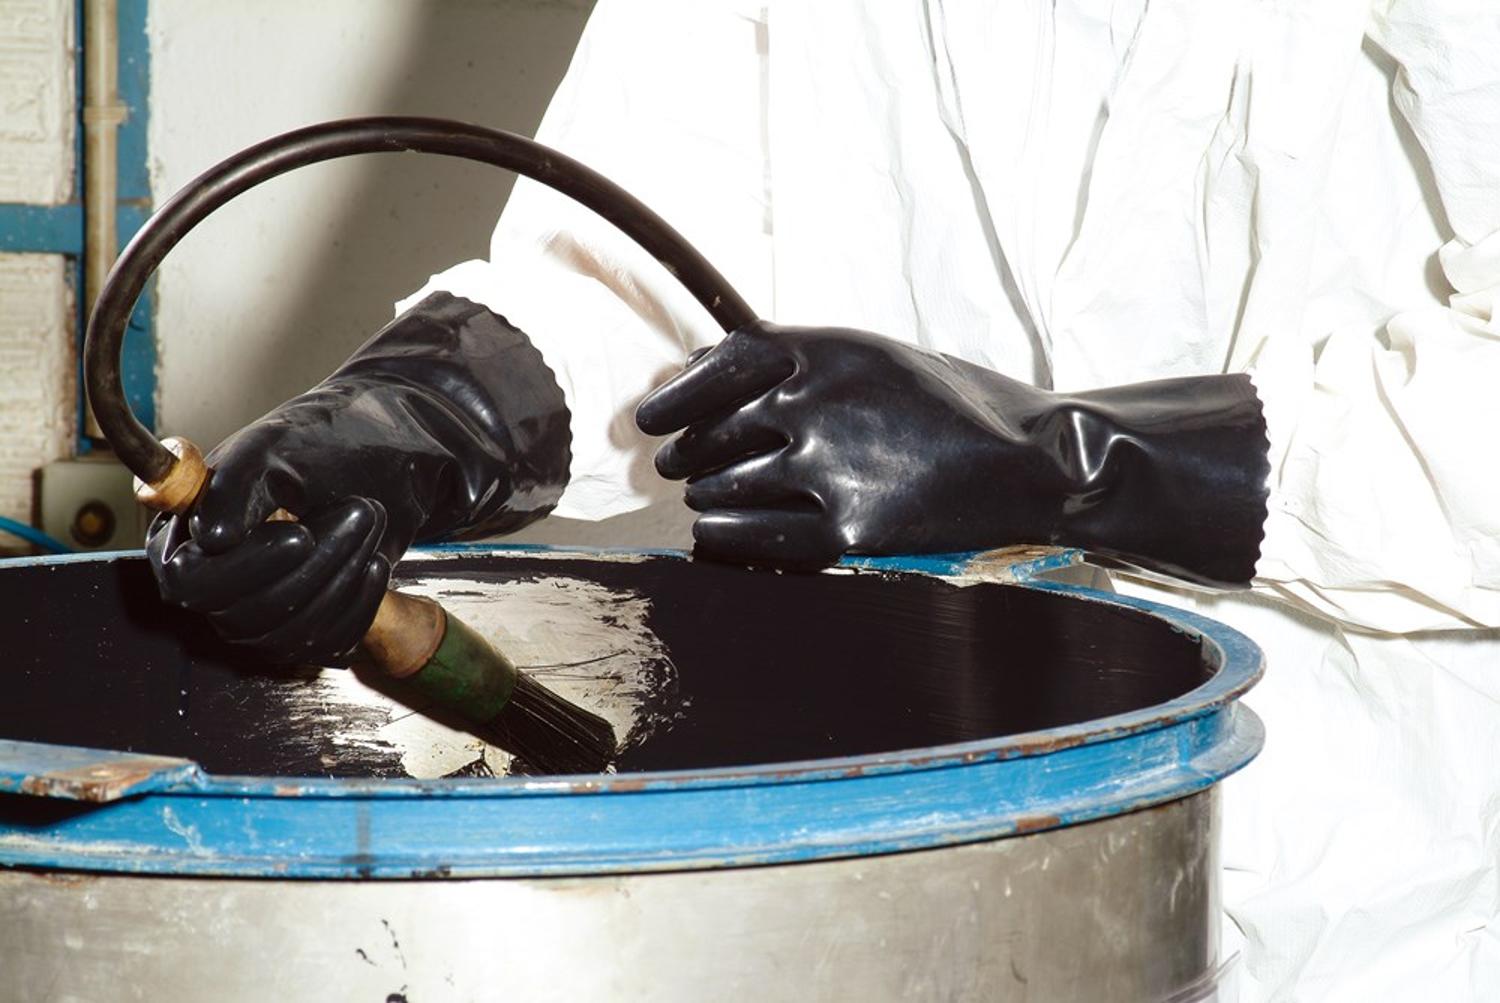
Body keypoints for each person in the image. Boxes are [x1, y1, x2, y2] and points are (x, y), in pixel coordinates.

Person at [149, 1, 1500, 997]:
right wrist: (413, 418)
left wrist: (1076, 457)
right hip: (908, 853)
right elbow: (640, 259)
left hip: (1375, 890)